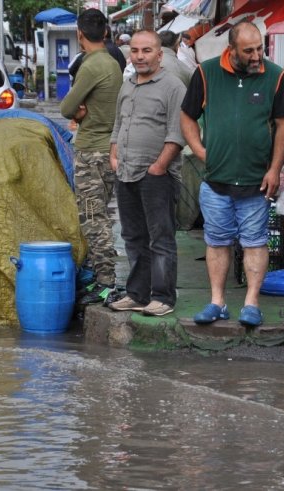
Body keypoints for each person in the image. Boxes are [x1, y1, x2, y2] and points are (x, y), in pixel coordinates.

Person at [180, 20, 284, 327]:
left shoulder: (275, 76)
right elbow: (187, 117)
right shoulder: (206, 73)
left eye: (259, 48)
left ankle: (251, 304)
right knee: (216, 241)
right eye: (249, 51)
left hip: (257, 180)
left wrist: (274, 168)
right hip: (216, 179)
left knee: (255, 242)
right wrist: (201, 151)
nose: (257, 56)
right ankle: (217, 302)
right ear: (231, 49)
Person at [107, 30, 186, 317]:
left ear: (159, 54)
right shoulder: (127, 85)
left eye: (146, 50)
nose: (140, 56)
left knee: (160, 238)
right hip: (125, 172)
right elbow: (118, 124)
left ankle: (163, 297)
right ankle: (137, 294)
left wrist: (159, 167)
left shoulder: (173, 86)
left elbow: (178, 134)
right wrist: (113, 155)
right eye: (136, 51)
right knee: (133, 236)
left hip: (156, 176)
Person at [60, 8, 124, 304]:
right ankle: (103, 277)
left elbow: (65, 108)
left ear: (80, 35)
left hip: (91, 152)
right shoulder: (113, 63)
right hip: (108, 149)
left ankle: (106, 282)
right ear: (107, 33)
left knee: (92, 218)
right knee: (99, 214)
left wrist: (78, 109)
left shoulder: (91, 65)